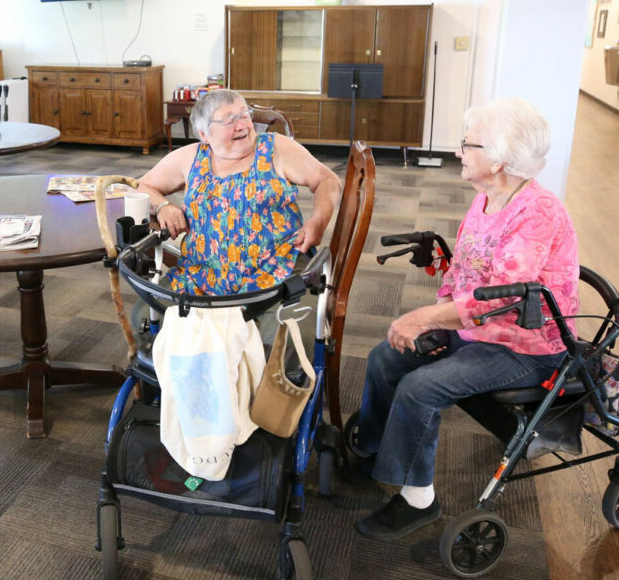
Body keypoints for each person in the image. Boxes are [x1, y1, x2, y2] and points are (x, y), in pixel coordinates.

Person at [349, 97, 579, 540]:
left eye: (467, 145)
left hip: (525, 346)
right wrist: (437, 321)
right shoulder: (488, 198)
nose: (458, 152)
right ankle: (375, 451)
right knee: (385, 356)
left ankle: (419, 500)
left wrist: (424, 317)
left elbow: (501, 299)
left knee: (421, 387)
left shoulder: (539, 213)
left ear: (498, 160)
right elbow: (465, 273)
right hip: (479, 331)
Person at [136, 89, 341, 296]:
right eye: (229, 120)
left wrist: (318, 220)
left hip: (275, 270)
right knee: (150, 317)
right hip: (201, 276)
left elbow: (328, 180)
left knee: (243, 328)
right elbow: (139, 186)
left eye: (244, 114)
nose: (242, 125)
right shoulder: (191, 157)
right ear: (204, 134)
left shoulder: (274, 148)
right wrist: (163, 207)